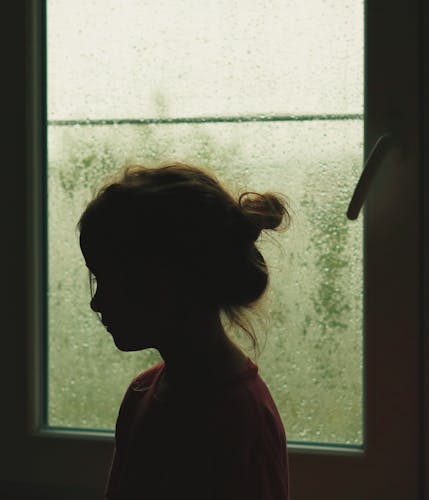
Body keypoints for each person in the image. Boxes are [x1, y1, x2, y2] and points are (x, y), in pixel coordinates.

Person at [77, 162, 290, 499]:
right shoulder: (141, 394)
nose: (97, 302)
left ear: (175, 279)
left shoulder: (242, 419)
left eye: (111, 279)